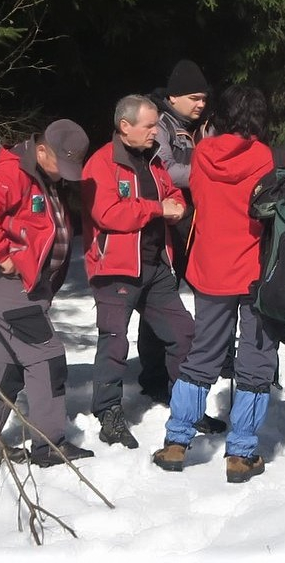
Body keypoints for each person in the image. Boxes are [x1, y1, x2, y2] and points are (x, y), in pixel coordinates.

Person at [152, 85, 276, 483]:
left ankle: (176, 441)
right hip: (254, 269)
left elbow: (200, 196)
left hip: (211, 267)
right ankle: (241, 453)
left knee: (202, 353)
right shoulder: (263, 156)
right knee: (255, 357)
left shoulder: (204, 152)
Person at [0, 119, 95, 469]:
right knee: (47, 357)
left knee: (7, 368)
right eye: (61, 164)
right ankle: (49, 445)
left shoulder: (43, 177)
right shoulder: (11, 173)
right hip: (7, 285)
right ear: (41, 150)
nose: (64, 173)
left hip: (25, 289)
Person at [81, 94, 196, 450]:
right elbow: (108, 213)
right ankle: (108, 414)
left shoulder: (154, 159)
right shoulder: (101, 164)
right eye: (148, 127)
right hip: (116, 268)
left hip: (155, 264)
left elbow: (172, 192)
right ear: (124, 126)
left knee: (183, 333)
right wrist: (157, 209)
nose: (155, 133)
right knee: (114, 342)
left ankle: (185, 407)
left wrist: (176, 205)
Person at [135, 59, 209, 405]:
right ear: (174, 97)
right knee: (160, 299)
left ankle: (195, 363)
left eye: (204, 98)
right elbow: (165, 168)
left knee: (200, 297)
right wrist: (210, 170)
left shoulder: (204, 126)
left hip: (200, 219)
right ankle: (154, 374)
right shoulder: (160, 124)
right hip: (170, 221)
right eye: (194, 98)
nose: (201, 104)